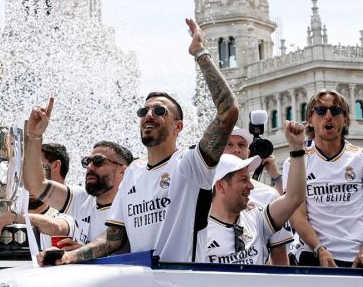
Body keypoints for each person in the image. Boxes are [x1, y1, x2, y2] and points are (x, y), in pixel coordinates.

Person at [51, 18, 239, 265]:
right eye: (144, 111)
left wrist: (200, 53)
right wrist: (69, 256)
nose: (149, 115)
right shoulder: (133, 172)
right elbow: (113, 238)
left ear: (178, 127)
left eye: (160, 111)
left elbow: (228, 112)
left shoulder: (191, 163)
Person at [286, 90, 363, 273]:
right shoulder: (296, 161)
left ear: (346, 119)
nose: (329, 116)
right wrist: (319, 249)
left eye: (336, 110)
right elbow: (297, 216)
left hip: (356, 259)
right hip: (313, 256)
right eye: (321, 111)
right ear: (310, 119)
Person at [195, 121, 307, 264]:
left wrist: (297, 149)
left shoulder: (257, 218)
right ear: (221, 186)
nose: (251, 186)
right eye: (243, 180)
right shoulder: (198, 232)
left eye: (242, 144)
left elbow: (294, 197)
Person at [22, 121, 133, 250]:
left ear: (122, 171)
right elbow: (36, 185)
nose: (90, 167)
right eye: (87, 161)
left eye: (98, 161)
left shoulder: (132, 205)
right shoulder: (82, 199)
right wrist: (35, 136)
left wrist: (80, 254)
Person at [222, 127, 293, 265]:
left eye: (241, 145)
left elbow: (280, 258)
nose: (236, 149)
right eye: (228, 144)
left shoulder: (269, 195)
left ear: (248, 152)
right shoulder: (202, 192)